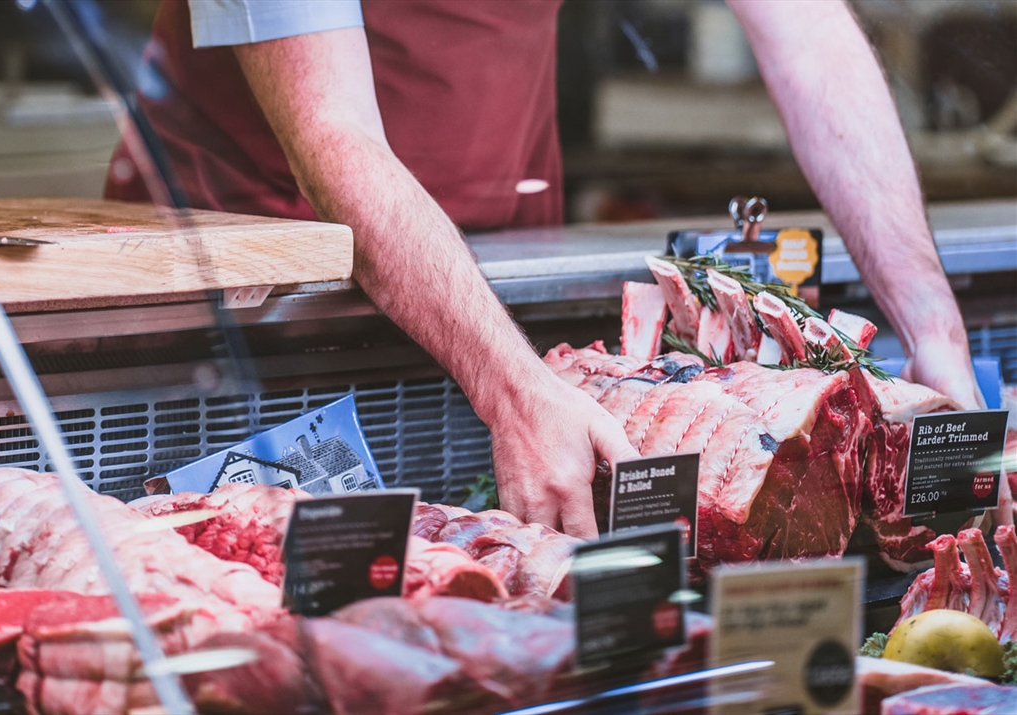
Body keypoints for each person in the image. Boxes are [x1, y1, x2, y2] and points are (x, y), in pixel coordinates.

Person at [106, 0, 985, 538]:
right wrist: (511, 390)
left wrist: (934, 332)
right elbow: (332, 141)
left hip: (495, 266)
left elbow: (806, 32)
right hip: (250, 311)